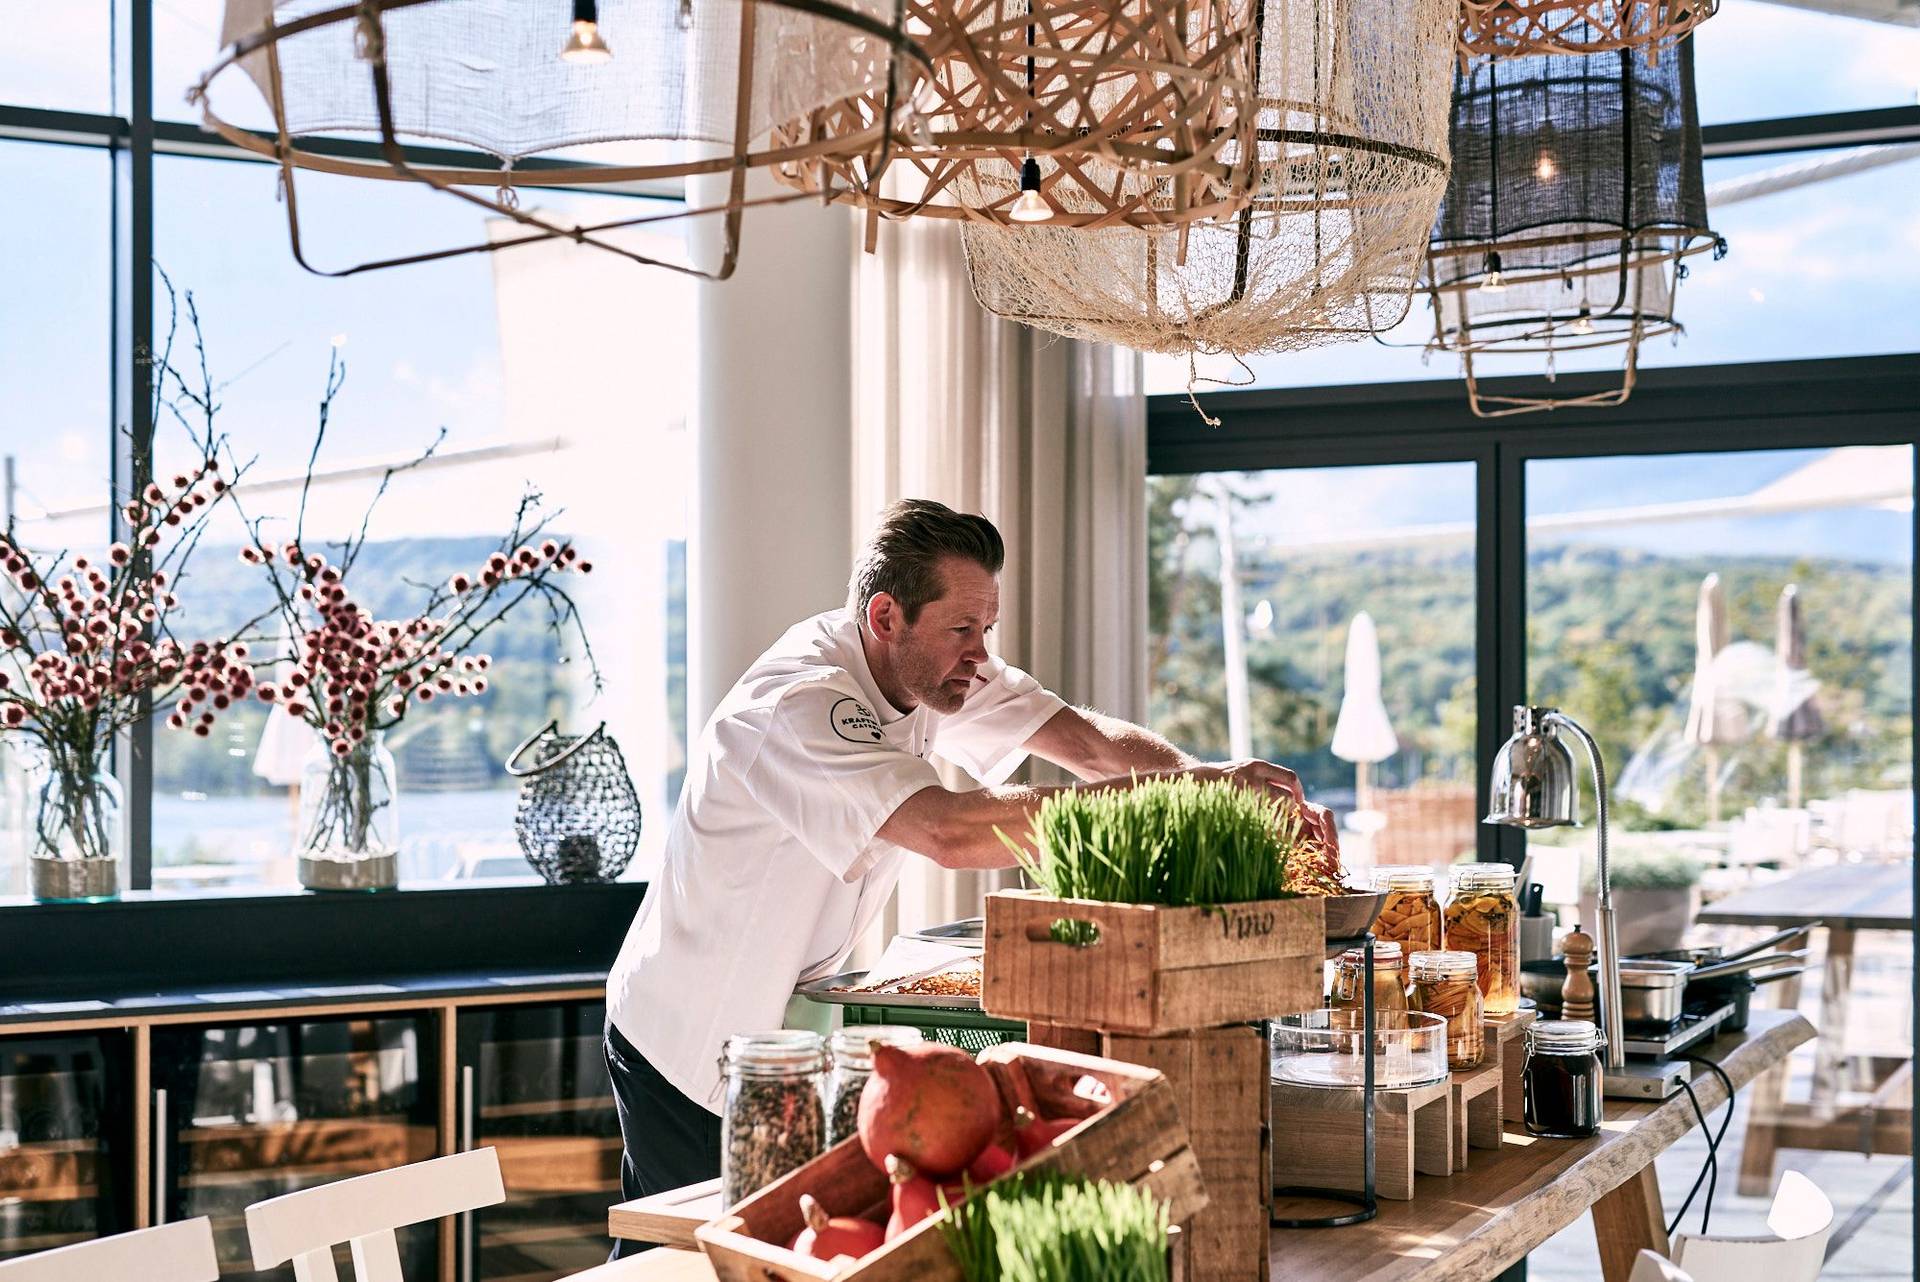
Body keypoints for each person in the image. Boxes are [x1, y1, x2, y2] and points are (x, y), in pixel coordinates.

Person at [603, 499, 1334, 1248]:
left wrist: (1208, 780)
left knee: (786, 1245)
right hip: (688, 1033)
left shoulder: (937, 665)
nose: (979, 652)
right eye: (962, 629)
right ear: (887, 617)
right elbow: (946, 831)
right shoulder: (797, 702)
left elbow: (1080, 743)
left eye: (986, 628)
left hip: (785, 1028)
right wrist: (1159, 807)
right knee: (680, 1257)